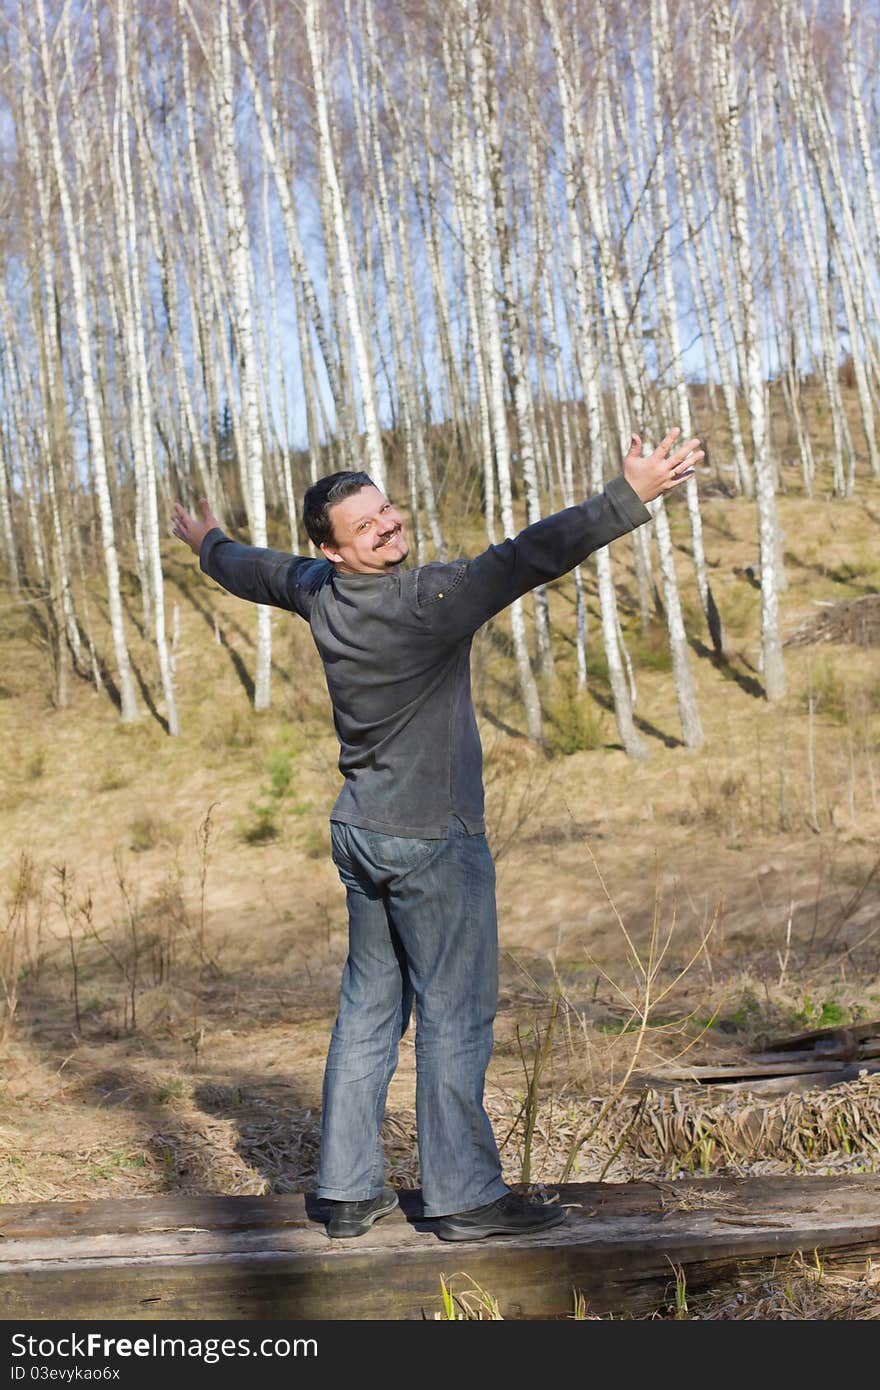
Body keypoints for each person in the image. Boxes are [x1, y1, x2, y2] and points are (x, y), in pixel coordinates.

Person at [172, 426, 702, 1241]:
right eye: (366, 525)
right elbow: (529, 556)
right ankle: (463, 1199)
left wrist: (207, 542)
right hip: (430, 841)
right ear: (336, 548)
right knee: (453, 1015)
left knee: (368, 1011)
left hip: (360, 834)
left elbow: (253, 569)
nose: (387, 524)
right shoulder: (430, 600)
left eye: (384, 507)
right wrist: (628, 497)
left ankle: (346, 1193)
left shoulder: (318, 589)